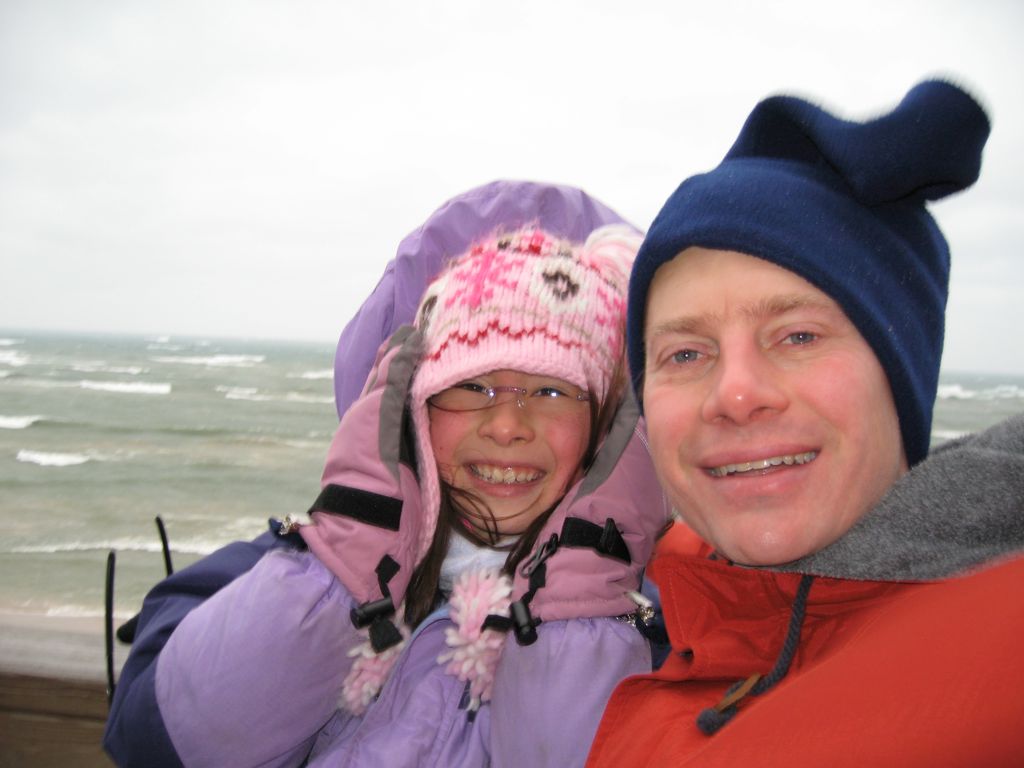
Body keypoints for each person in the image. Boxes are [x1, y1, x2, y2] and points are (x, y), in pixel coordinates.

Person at [102, 180, 654, 765]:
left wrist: (583, 594)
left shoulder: (664, 623)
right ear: (411, 404)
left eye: (552, 390)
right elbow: (156, 742)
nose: (506, 425)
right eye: (471, 385)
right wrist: (349, 556)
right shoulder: (281, 571)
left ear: (608, 428)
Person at [586, 80, 1024, 766]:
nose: (735, 394)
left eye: (798, 336)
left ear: (900, 373)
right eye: (686, 353)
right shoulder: (676, 605)